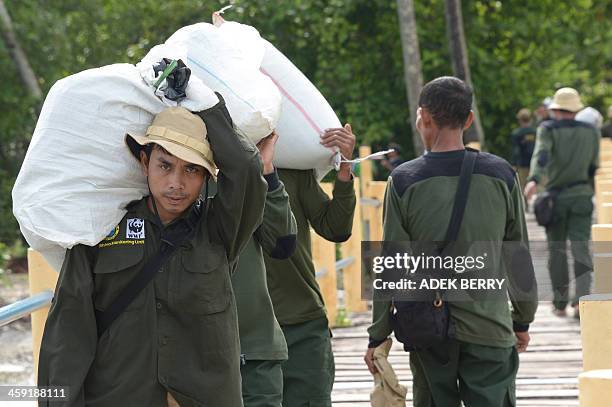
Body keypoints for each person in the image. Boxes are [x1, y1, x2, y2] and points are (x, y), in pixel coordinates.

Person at [38, 101, 268, 406]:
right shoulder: (101, 230)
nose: (176, 182)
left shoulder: (220, 229)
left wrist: (206, 103)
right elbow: (67, 332)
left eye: (192, 169)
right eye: (165, 165)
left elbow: (247, 171)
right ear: (145, 163)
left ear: (205, 178)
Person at [365, 76, 538, 406]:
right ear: (469, 119)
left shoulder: (404, 180)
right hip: (489, 326)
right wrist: (522, 318)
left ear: (423, 117)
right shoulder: (501, 175)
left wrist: (378, 334)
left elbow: (392, 267)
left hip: (429, 329)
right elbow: (518, 254)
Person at [263, 125, 357, 407]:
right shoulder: (210, 174)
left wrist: (345, 168)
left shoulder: (292, 171)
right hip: (241, 331)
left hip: (302, 325)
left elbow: (335, 228)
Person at [227, 131, 298, 407]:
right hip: (195, 358)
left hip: (254, 353)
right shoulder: (178, 187)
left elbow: (282, 244)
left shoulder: (246, 182)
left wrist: (266, 171)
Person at [524, 87, 600, 319]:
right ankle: (581, 302)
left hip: (556, 197)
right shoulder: (591, 131)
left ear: (556, 110)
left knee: (556, 250)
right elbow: (592, 167)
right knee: (581, 248)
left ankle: (559, 303)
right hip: (582, 196)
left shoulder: (547, 129)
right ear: (575, 109)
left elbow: (542, 155)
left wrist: (534, 180)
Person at [511, 108, 537, 189]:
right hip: (535, 164)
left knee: (523, 187)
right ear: (530, 119)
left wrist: (514, 164)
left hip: (522, 165)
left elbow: (516, 150)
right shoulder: (536, 131)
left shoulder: (517, 133)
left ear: (519, 120)